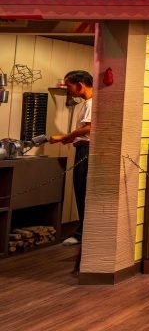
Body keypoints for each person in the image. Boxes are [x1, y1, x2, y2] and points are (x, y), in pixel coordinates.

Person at [49, 71, 92, 255]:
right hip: (82, 148)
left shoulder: (91, 103)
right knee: (80, 190)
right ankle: (83, 231)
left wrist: (66, 135)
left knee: (83, 190)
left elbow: (91, 127)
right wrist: (71, 138)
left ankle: (83, 233)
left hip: (87, 151)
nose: (68, 90)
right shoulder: (86, 103)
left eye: (69, 86)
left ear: (80, 85)